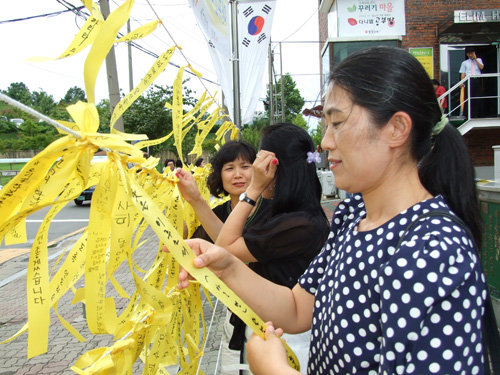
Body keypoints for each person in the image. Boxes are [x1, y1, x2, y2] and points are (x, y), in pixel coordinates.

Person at [176, 47, 488, 375]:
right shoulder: (353, 216)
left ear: (396, 128)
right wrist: (226, 267)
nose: (325, 142)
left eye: (337, 122)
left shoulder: (433, 249)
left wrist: (277, 371)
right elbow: (297, 308)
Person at [459, 46, 484, 118]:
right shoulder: (465, 63)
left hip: (477, 79)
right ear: (467, 54)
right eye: (469, 54)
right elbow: (463, 73)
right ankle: (467, 114)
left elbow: (481, 67)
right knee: (469, 96)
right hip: (469, 80)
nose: (470, 55)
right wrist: (462, 82)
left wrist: (475, 59)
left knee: (477, 97)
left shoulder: (479, 60)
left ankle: (476, 114)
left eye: (472, 53)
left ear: (474, 53)